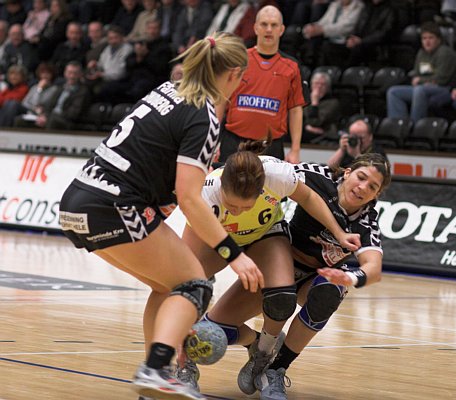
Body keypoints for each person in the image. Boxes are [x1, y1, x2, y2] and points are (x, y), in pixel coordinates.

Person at [58, 32, 254, 400]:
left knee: (168, 287)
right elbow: (190, 197)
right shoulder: (204, 113)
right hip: (114, 204)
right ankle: (156, 368)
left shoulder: (170, 89)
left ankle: (155, 379)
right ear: (234, 73)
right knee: (195, 285)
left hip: (76, 202)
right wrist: (234, 254)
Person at [177, 140, 361, 393]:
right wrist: (233, 258)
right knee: (186, 291)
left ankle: (263, 355)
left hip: (266, 234)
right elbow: (184, 269)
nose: (240, 212)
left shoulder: (277, 175)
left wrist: (339, 233)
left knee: (282, 298)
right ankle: (184, 367)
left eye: (247, 206)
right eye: (233, 206)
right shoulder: (206, 193)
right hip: (218, 239)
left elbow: (308, 196)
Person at [204, 153, 391, 400]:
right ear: (347, 172)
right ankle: (256, 343)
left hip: (315, 278)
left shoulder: (366, 222)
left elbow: (373, 269)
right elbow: (267, 171)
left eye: (372, 187)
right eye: (361, 177)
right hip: (277, 262)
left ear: (377, 194)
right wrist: (216, 170)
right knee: (214, 331)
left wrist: (351, 278)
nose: (363, 188)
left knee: (328, 292)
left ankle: (275, 369)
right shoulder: (315, 176)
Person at [218, 5, 308, 164]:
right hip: (233, 141)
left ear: (281, 30)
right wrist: (213, 141)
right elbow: (221, 100)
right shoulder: (238, 60)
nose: (268, 29)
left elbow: (295, 110)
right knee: (227, 189)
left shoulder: (292, 67)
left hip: (271, 146)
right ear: (255, 28)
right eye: (264, 24)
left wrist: (295, 150)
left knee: (269, 190)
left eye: (274, 25)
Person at [386, 22, 456, 122]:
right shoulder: (421, 53)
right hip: (424, 87)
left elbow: (441, 79)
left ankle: (416, 127)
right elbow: (416, 74)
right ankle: (399, 126)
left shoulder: (445, 53)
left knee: (419, 90)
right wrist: (423, 81)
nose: (427, 42)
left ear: (438, 40)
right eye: (424, 38)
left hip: (445, 89)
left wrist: (421, 80)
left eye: (431, 38)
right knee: (393, 92)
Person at [14, 61, 90, 130]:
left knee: (52, 121)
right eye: (70, 73)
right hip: (50, 117)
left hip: (66, 121)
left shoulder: (82, 91)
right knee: (20, 120)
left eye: (75, 73)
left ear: (80, 74)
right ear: (65, 73)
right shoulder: (60, 88)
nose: (72, 76)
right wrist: (44, 116)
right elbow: (50, 105)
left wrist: (48, 117)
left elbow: (73, 114)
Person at [302, 71, 340, 144]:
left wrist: (314, 103)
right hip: (304, 135)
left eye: (323, 84)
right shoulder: (303, 100)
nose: (319, 87)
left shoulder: (333, 103)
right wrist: (306, 127)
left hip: (324, 137)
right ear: (311, 85)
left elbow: (315, 122)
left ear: (328, 88)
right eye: (316, 83)